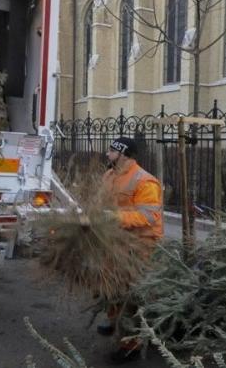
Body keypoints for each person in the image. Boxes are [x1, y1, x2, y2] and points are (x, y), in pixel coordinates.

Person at [99, 136, 163, 364]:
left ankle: (131, 344)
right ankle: (116, 322)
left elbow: (148, 216)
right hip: (115, 240)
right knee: (109, 286)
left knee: (129, 294)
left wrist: (114, 217)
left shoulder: (145, 181)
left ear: (123, 153)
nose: (107, 154)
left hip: (139, 245)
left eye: (111, 150)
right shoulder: (109, 175)